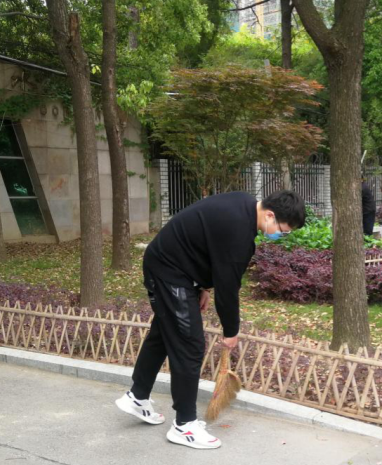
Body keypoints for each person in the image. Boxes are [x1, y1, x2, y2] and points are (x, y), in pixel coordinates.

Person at [116, 190, 306, 450]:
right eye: (282, 231)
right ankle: (184, 426)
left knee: (164, 332)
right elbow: (228, 288)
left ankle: (137, 397)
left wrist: (202, 286)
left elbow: (206, 244)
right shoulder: (240, 232)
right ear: (270, 215)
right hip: (169, 271)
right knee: (190, 344)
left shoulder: (243, 204)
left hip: (172, 265)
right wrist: (231, 331)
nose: (279, 236)